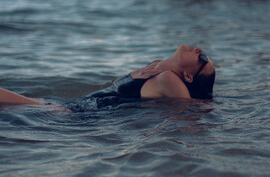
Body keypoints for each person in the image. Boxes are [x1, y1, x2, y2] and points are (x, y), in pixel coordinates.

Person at [0, 45, 216, 109]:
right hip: (76, 105)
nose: (199, 50)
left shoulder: (171, 81)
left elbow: (188, 111)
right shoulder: (155, 66)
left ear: (188, 76)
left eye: (203, 59)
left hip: (79, 119)